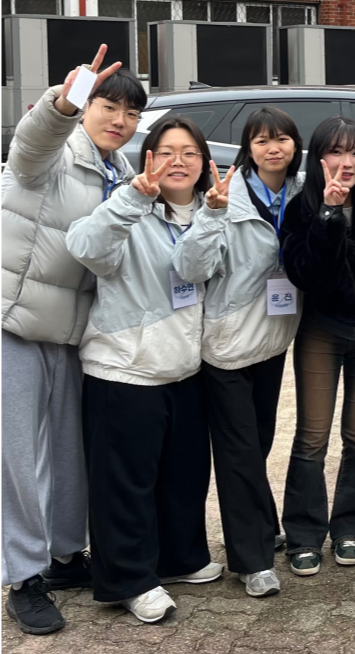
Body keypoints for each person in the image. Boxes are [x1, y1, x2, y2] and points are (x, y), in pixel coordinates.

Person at [1, 46, 142, 635]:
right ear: (88, 108)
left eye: (131, 113)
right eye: (109, 106)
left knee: (68, 452)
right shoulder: (55, 153)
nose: (120, 120)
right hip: (14, 321)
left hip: (74, 332)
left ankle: (64, 555)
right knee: (16, 457)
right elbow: (29, 146)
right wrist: (61, 104)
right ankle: (23, 577)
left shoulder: (124, 174)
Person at [66, 116, 225, 624]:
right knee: (124, 483)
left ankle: (179, 558)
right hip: (124, 368)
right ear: (147, 158)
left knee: (183, 473)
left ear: (204, 163)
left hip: (182, 367)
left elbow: (194, 270)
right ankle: (128, 579)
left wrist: (212, 216)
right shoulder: (126, 204)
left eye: (190, 153)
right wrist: (133, 199)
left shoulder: (206, 210)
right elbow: (85, 247)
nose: (179, 161)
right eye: (167, 151)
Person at [173, 107, 304, 597]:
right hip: (226, 344)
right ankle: (251, 561)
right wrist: (211, 215)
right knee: (239, 451)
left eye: (282, 138)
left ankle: (262, 525)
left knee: (258, 443)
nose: (273, 148)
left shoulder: (302, 192)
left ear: (295, 145)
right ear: (248, 149)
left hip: (272, 339)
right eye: (261, 140)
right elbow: (190, 268)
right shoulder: (227, 196)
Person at [279, 116, 355, 576]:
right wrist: (328, 215)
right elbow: (305, 275)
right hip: (322, 328)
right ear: (319, 157)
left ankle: (351, 528)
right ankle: (303, 535)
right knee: (312, 437)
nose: (347, 163)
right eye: (336, 151)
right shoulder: (302, 206)